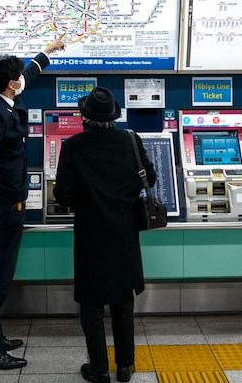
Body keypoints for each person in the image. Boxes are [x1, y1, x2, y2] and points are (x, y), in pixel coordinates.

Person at [0, 34, 65, 370]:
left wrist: (47, 52)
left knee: (0, 276)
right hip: (4, 204)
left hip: (7, 204)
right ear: (10, 84)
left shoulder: (1, 98)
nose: (24, 79)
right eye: (18, 77)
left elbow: (30, 73)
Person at [53, 87, 157, 383]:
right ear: (114, 116)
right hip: (124, 233)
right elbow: (148, 178)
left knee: (92, 304)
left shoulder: (73, 147)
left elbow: (63, 194)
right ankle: (125, 366)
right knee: (123, 302)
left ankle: (98, 369)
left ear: (84, 117)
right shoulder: (130, 140)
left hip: (90, 235)